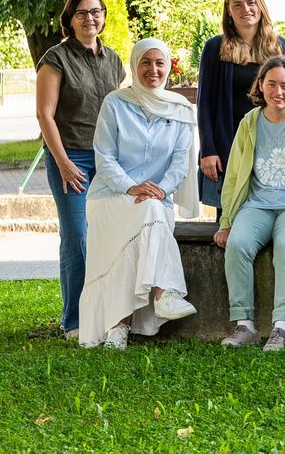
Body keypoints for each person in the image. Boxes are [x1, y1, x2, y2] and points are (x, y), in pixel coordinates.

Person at [77, 39, 200, 350]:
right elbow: (103, 157)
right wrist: (131, 186)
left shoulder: (181, 110)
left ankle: (118, 326)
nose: (152, 69)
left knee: (149, 213)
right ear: (134, 66)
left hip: (158, 200)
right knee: (146, 213)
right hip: (111, 197)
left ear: (169, 66)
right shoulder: (116, 103)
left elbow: (180, 162)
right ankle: (164, 293)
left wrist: (160, 190)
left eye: (159, 63)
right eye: (145, 62)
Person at [213, 56, 285, 352]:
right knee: (238, 244)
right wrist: (227, 221)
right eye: (271, 84)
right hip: (257, 205)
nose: (277, 91)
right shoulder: (250, 122)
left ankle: (281, 328)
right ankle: (245, 325)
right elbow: (234, 175)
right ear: (261, 86)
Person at [35, 0, 126, 340]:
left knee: (109, 235)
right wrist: (63, 163)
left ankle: (110, 312)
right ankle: (74, 320)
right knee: (76, 236)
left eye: (96, 11)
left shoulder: (114, 59)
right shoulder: (55, 59)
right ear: (70, 19)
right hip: (70, 156)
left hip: (107, 159)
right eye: (82, 13)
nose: (90, 18)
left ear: (103, 16)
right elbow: (45, 115)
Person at [196, 0, 285, 214]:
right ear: (229, 11)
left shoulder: (280, 47)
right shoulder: (215, 47)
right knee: (230, 211)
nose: (245, 9)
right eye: (237, 5)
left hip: (271, 140)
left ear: (260, 7)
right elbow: (204, 103)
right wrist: (208, 149)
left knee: (270, 209)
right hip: (229, 140)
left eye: (251, 3)